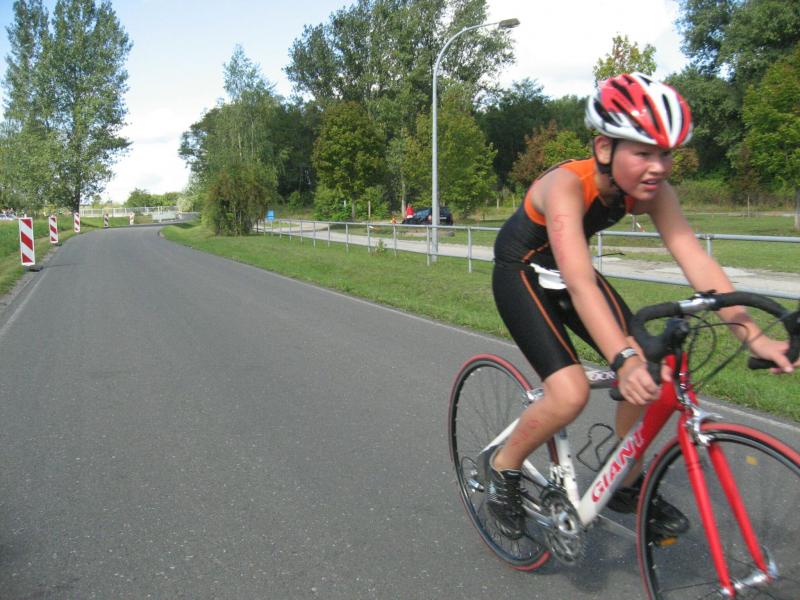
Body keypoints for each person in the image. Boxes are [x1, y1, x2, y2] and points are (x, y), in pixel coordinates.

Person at [484, 72, 798, 540]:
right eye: (644, 153)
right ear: (604, 148)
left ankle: (625, 480)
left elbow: (696, 260)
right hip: (522, 272)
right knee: (570, 394)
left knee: (659, 375)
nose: (658, 167)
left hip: (571, 272)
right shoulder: (566, 186)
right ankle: (503, 467)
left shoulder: (652, 192)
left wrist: (754, 337)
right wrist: (624, 359)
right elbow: (581, 283)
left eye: (666, 153)